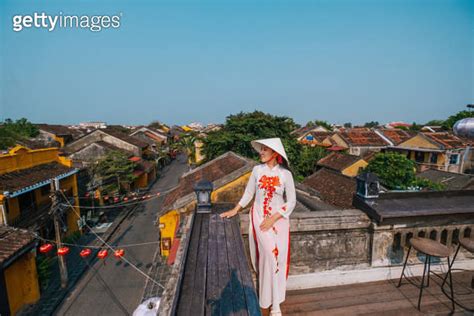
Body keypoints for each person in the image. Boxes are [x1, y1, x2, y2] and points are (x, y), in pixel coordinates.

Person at [220, 138, 296, 316]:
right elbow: (249, 193)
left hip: (279, 221)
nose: (260, 153)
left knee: (278, 260)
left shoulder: (286, 175)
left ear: (275, 154)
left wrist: (275, 218)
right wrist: (235, 210)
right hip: (260, 218)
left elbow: (291, 201)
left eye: (264, 150)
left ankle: (275, 303)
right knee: (270, 256)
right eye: (261, 150)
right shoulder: (257, 171)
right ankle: (268, 302)